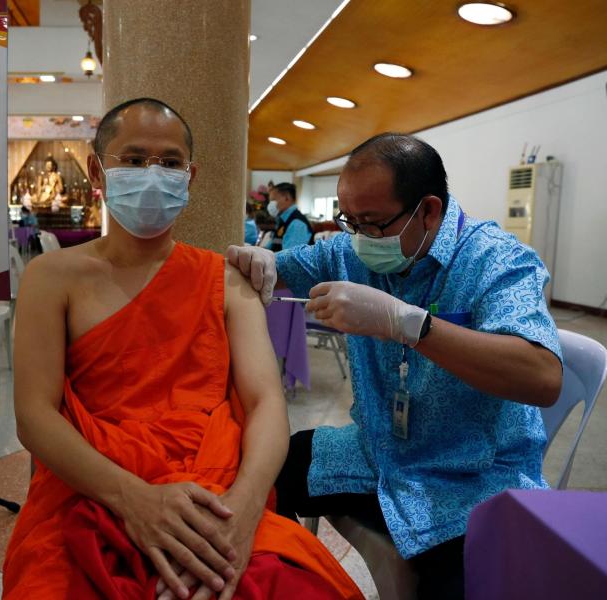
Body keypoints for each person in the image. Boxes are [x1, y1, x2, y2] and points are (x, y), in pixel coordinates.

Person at [3, 97, 362, 600]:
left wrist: (243, 509)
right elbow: (34, 415)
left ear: (189, 177)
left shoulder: (225, 280)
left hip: (217, 495)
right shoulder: (53, 278)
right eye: (132, 159)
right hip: (91, 489)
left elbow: (265, 403)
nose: (153, 175)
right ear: (97, 170)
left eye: (170, 163)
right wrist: (135, 500)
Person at [227, 132, 563, 600]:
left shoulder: (497, 262)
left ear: (428, 210)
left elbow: (543, 377)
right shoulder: (349, 251)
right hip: (375, 451)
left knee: (457, 585)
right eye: (350, 221)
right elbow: (280, 268)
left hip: (471, 478)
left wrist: (408, 324)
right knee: (255, 477)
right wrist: (258, 259)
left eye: (373, 223)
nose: (359, 239)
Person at [265, 182, 313, 252]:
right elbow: (272, 245)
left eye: (273, 200)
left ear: (287, 198)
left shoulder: (297, 224)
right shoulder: (283, 221)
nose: (270, 205)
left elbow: (289, 258)